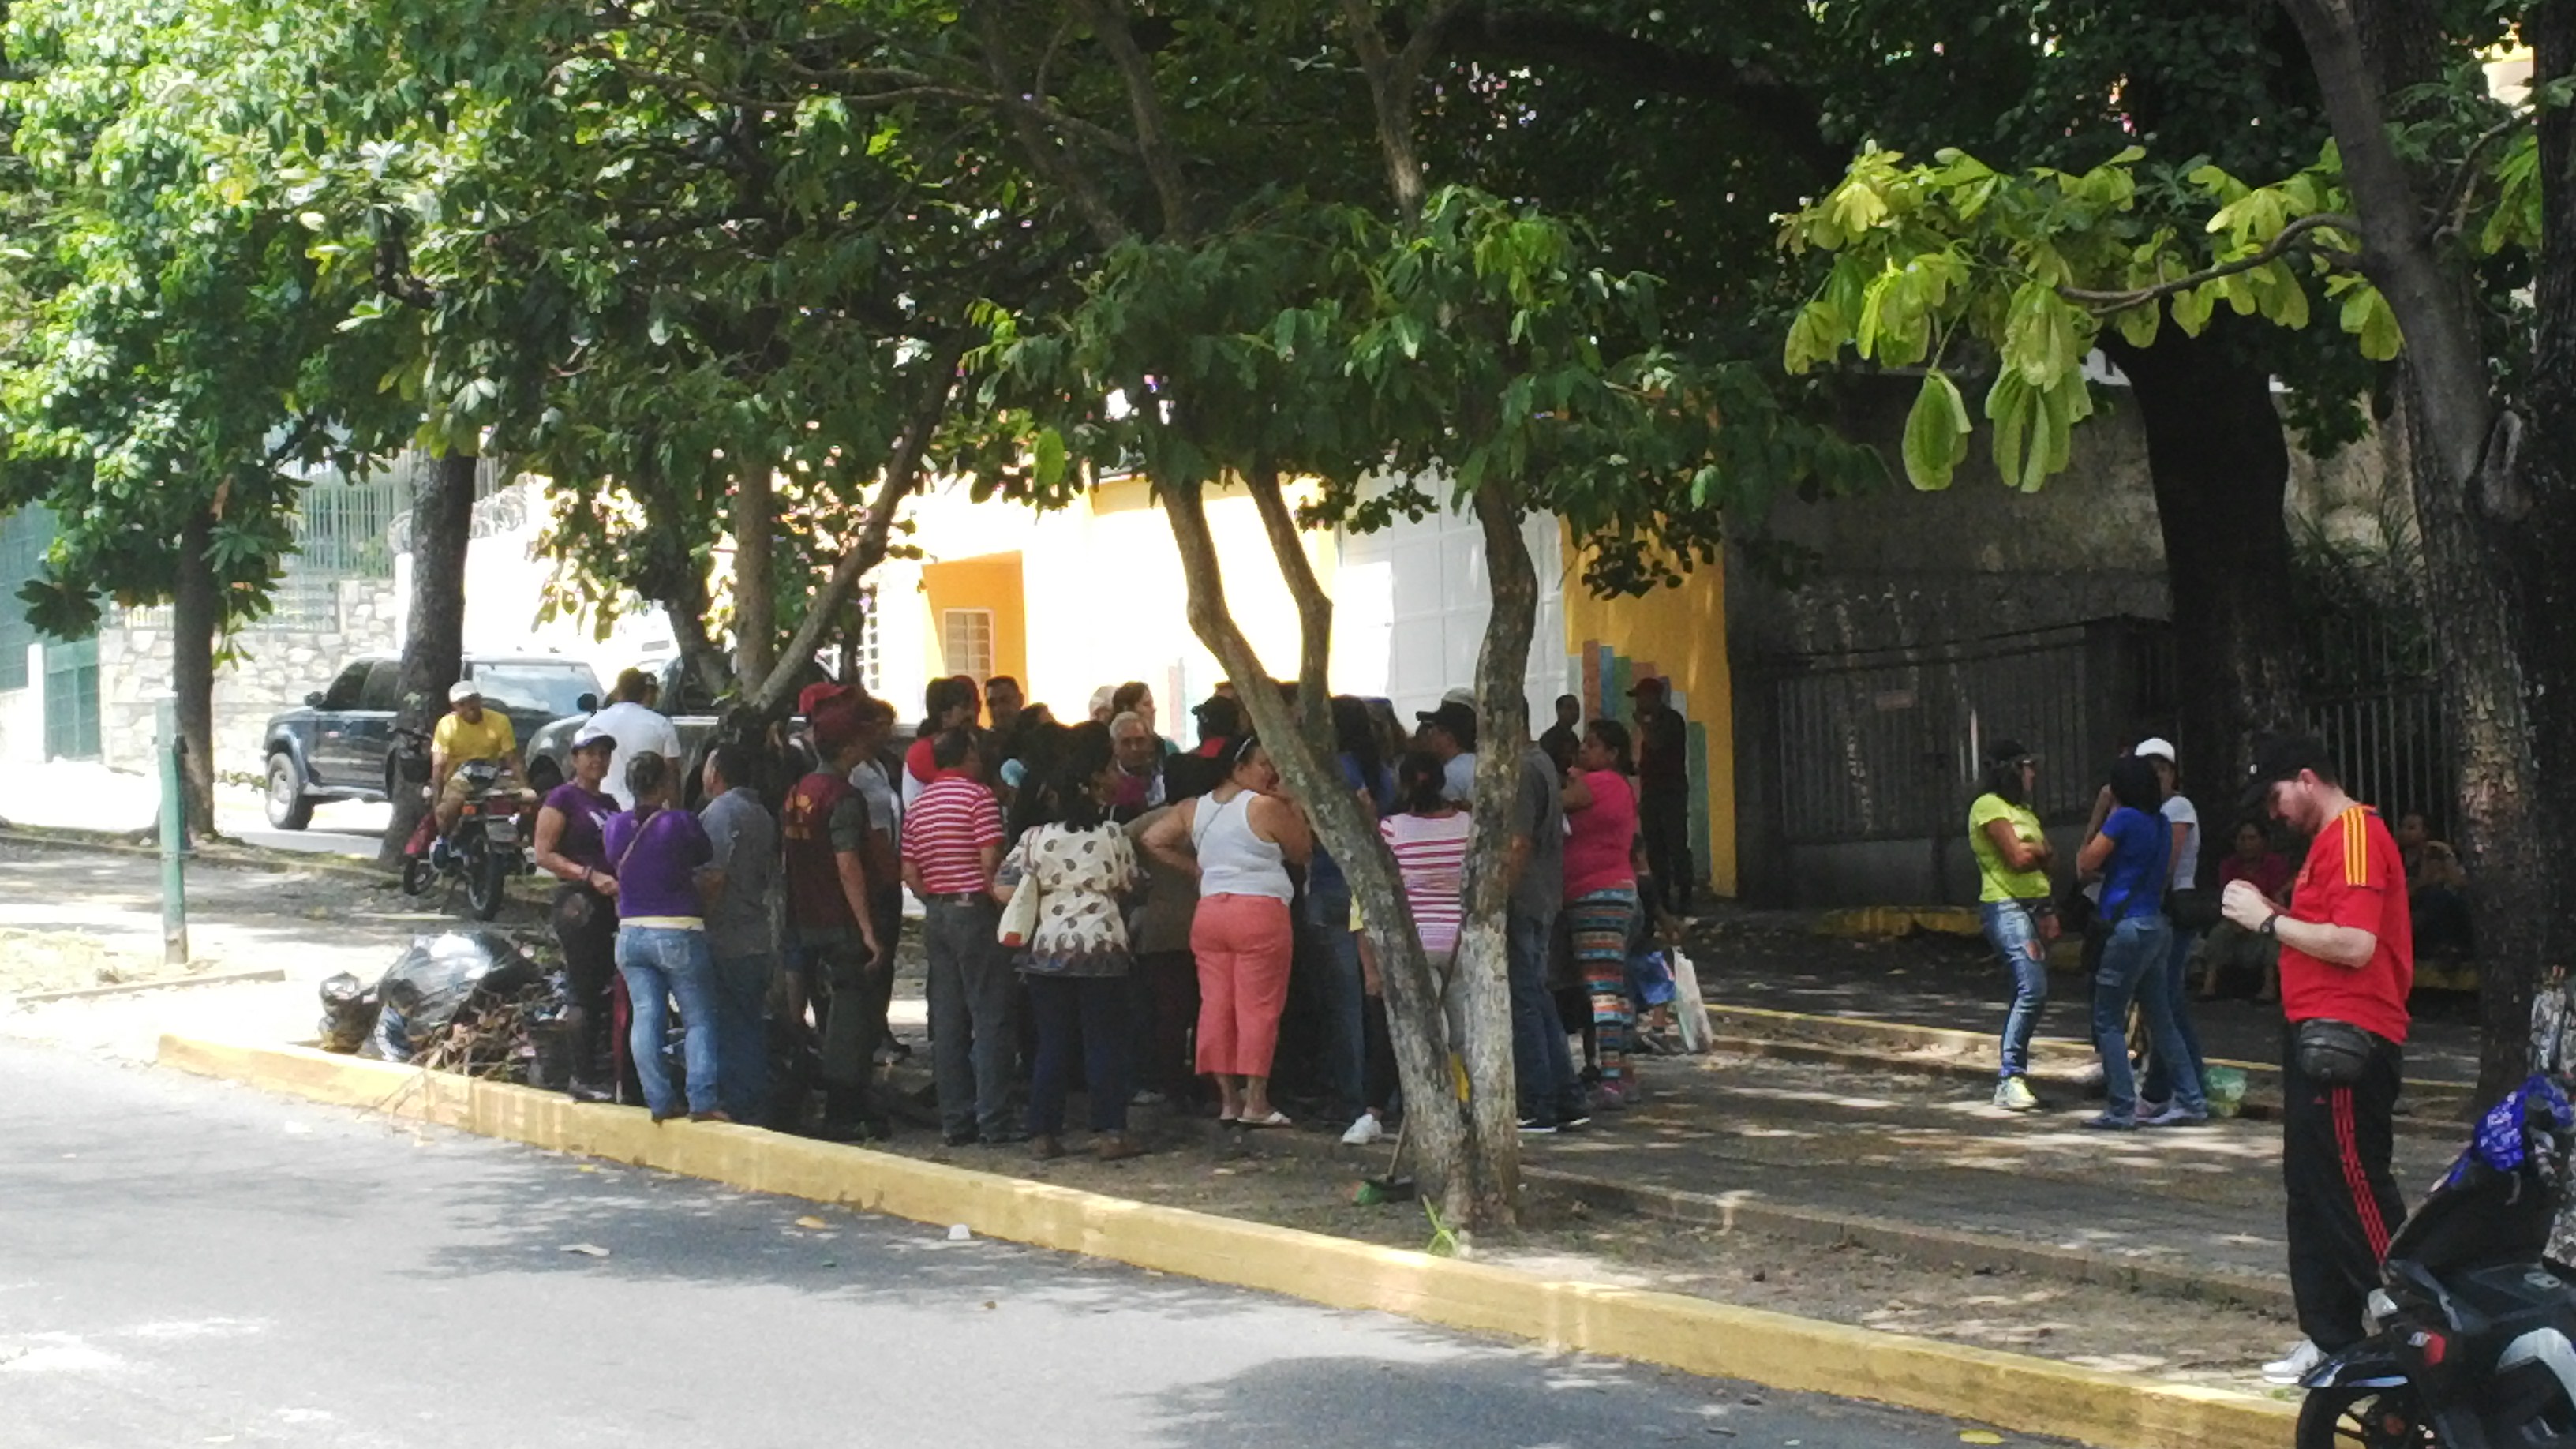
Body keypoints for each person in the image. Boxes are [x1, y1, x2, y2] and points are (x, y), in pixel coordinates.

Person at [2227, 736, 2412, 1384]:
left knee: (2351, 1178)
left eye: (2276, 797)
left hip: (2349, 1035)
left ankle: (2406, 1313)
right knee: (2310, 1187)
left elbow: (2356, 943)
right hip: (2320, 1033)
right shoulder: (2326, 845)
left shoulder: (2355, 834)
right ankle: (2330, 1333)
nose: (2273, 814)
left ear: (2307, 779)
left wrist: (2267, 920)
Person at [1141, 735, 1313, 1128]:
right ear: (1238, 768)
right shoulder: (1267, 806)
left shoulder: (1194, 808)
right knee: (1259, 1006)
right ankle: (1257, 1099)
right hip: (1259, 910)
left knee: (1216, 1004)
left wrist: (1197, 870)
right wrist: (1294, 804)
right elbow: (1302, 852)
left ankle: (1228, 1100)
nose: (1271, 772)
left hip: (1211, 911)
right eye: (1262, 764)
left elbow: (1152, 838)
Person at [996, 730, 1148, 1161]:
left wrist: (1044, 900)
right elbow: (1134, 885)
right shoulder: (1113, 835)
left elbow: (1004, 887)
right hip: (1103, 947)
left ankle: (1043, 1133)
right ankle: (1111, 1133)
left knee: (1053, 1043)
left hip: (1048, 950)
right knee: (1104, 1042)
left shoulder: (1035, 838)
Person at [1342, 751, 1473, 1146]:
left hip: (1412, 945)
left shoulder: (1392, 829)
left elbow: (1371, 896)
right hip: (1462, 944)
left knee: (1414, 1035)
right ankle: (1473, 1112)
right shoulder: (1468, 825)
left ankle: (1380, 1115)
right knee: (1465, 1038)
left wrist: (1370, 963)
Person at [901, 727, 1020, 1146]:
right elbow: (991, 856)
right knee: (990, 1014)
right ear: (968, 754)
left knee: (948, 1018)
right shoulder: (979, 798)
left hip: (938, 911)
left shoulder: (920, 806)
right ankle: (994, 1118)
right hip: (975, 910)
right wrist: (996, 897)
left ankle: (956, 1118)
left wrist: (933, 897)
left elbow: (911, 870)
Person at [784, 697, 896, 1139]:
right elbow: (847, 862)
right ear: (850, 746)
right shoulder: (843, 797)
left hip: (807, 918)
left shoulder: (799, 793)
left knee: (829, 1013)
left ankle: (830, 1100)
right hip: (841, 922)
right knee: (851, 1018)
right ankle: (844, 1110)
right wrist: (869, 931)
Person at [2072, 753, 2203, 1129]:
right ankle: (2191, 1099)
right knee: (2161, 1017)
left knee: (2108, 1018)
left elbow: (2085, 863)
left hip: (2125, 926)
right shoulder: (2162, 822)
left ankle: (2121, 1106)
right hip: (2156, 923)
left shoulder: (2124, 818)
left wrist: (2101, 813)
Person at [601, 751, 724, 1123]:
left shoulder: (614, 826)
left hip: (631, 933)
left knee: (646, 1017)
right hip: (678, 930)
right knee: (699, 1018)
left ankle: (659, 1101)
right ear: (664, 783)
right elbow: (704, 853)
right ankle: (702, 1101)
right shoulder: (680, 822)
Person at [1309, 695, 1390, 1129]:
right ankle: (1383, 1092)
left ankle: (1354, 1093)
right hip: (1372, 885)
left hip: (1330, 880)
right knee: (1375, 995)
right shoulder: (1383, 771)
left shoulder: (1332, 768)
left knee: (1344, 999)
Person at [530, 722, 621, 1102]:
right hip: (577, 901)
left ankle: (599, 1065)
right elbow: (544, 853)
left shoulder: (609, 804)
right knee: (582, 990)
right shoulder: (562, 799)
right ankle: (581, 1076)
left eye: (604, 754)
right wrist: (588, 874)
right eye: (591, 754)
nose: (598, 761)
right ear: (575, 759)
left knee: (604, 986)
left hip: (608, 902)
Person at [1968, 739, 2058, 1112]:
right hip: (2006, 906)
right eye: (2026, 767)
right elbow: (2021, 857)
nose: (2032, 774)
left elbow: (2049, 860)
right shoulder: (1988, 807)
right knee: (2032, 988)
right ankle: (2010, 1077)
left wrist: (2050, 907)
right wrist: (2040, 851)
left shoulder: (2023, 811)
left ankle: (2015, 1071)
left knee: (2032, 990)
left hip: (2035, 906)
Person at [1508, 724, 1589, 1133]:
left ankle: (1539, 1103)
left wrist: (1497, 894)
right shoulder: (1540, 761)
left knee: (1525, 1001)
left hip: (1524, 899)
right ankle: (1567, 1097)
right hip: (1543, 896)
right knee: (1538, 999)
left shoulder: (1522, 768)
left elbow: (1518, 843)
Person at [1563, 719, 1642, 1110]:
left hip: (1596, 892)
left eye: (1592, 745)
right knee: (1612, 985)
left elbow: (1562, 799)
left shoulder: (1604, 783)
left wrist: (1568, 774)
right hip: (1609, 889)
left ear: (1612, 754)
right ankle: (1622, 1069)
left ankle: (1611, 1077)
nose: (1583, 750)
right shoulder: (1616, 786)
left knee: (1602, 989)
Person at [698, 742, 777, 1124]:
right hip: (757, 934)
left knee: (730, 1024)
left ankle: (740, 1104)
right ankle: (753, 1100)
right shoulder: (761, 812)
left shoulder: (720, 813)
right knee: (748, 1020)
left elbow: (713, 876)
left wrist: (702, 919)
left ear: (716, 774)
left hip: (728, 935)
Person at [2132, 738, 2211, 1123]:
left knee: (2169, 1005)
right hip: (2157, 911)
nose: (2155, 776)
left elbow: (2168, 861)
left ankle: (2190, 1088)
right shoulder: (2145, 811)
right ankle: (2161, 1090)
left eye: (2161, 769)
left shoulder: (2177, 807)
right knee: (2161, 1005)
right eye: (2148, 769)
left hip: (2172, 910)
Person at [2200, 820, 2293, 1000]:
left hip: (2266, 916)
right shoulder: (2229, 865)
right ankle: (2208, 986)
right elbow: (2227, 896)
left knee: (2273, 933)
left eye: (2252, 838)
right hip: (2235, 919)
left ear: (2263, 842)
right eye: (2242, 839)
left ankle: (2269, 988)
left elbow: (2276, 897)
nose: (2246, 844)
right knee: (2220, 932)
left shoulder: (2275, 864)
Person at [431, 680, 530, 837]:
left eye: (472, 701)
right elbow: (439, 766)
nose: (469, 707)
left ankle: (522, 846)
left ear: (480, 700)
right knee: (445, 812)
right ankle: (444, 842)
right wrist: (437, 802)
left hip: (492, 776)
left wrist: (525, 788)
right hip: (458, 781)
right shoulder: (446, 725)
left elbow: (513, 759)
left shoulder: (500, 721)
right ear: (454, 707)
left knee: (530, 803)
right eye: (462, 704)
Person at [1629, 677, 1694, 915]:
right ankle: (1662, 898)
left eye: (1641, 697)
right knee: (1655, 847)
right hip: (1651, 791)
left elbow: (1657, 744)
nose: (1638, 703)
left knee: (1676, 845)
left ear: (1653, 697)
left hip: (1671, 792)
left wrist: (1642, 726)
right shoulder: (1651, 723)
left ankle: (1685, 895)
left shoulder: (1671, 720)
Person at [587, 667, 684, 810]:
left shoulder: (594, 723)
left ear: (618, 691)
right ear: (644, 692)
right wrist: (676, 812)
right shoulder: (660, 724)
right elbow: (672, 774)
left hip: (604, 810)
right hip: (650, 813)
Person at [2395, 811, 2474, 958]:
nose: (2404, 832)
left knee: (2440, 898)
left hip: (2428, 910)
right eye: (2402, 827)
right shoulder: (2395, 857)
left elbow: (2458, 882)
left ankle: (2450, 948)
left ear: (2425, 833)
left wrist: (2447, 854)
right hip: (2405, 909)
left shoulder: (2434, 853)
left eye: (2411, 828)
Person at [904, 676, 981, 807]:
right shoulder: (922, 751)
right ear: (945, 715)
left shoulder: (965, 742)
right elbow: (951, 787)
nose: (971, 713)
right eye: (964, 707)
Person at [1415, 699, 1478, 805]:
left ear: (1449, 738)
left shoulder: (1450, 774)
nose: (1429, 735)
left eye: (1434, 731)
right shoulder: (1477, 762)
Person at [1107, 710, 1168, 820]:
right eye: (1126, 742)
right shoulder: (1107, 784)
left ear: (1151, 744)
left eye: (1140, 741)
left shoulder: (1165, 775)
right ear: (1113, 746)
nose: (1134, 748)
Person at [1538, 694, 1582, 771]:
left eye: (1577, 708)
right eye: (1569, 708)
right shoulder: (1550, 738)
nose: (1575, 712)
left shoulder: (1573, 737)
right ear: (1559, 711)